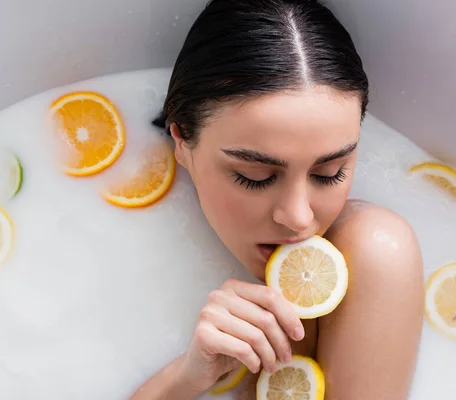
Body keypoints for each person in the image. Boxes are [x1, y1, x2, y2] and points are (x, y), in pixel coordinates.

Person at [130, 0, 424, 399]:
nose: (299, 218)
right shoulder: (120, 205)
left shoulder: (371, 251)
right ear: (181, 143)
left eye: (330, 172)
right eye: (256, 177)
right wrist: (186, 378)